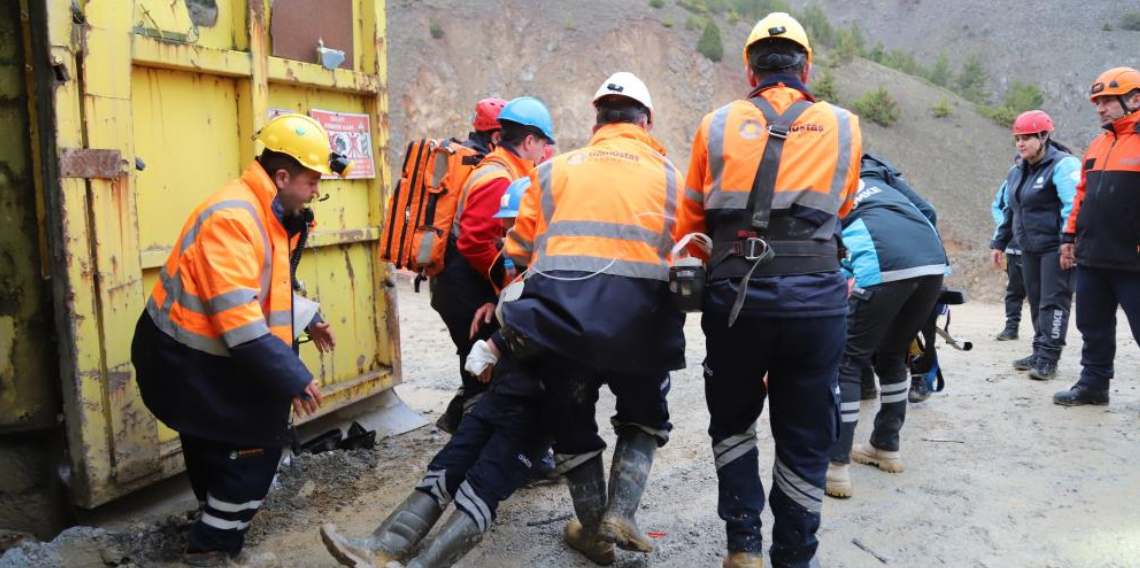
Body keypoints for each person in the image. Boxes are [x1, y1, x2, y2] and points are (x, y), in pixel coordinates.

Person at [675, 12, 862, 568]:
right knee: (805, 433)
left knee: (733, 421)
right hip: (816, 302)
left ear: (749, 69)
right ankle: (794, 555)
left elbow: (690, 222)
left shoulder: (714, 125)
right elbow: (843, 207)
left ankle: (744, 546)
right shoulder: (845, 125)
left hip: (736, 300)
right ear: (806, 67)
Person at [476, 72, 684, 566]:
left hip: (562, 324)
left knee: (571, 421)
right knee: (643, 416)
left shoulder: (551, 172)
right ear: (646, 122)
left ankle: (593, 532)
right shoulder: (671, 177)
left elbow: (518, 251)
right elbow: (690, 251)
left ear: (597, 122)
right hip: (640, 326)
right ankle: (622, 514)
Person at [130, 113, 347, 567]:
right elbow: (240, 321)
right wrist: (292, 376)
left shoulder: (263, 211)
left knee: (214, 445)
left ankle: (211, 520)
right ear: (282, 176)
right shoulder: (235, 217)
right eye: (311, 182)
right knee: (255, 451)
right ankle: (210, 548)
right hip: (186, 360)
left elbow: (266, 286)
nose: (315, 192)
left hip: (194, 357)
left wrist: (308, 316)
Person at [824, 154, 948, 499]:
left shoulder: (821, 174)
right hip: (931, 262)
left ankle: (835, 466)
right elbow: (928, 211)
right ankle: (885, 446)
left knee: (848, 360)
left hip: (883, 260)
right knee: (893, 353)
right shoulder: (877, 170)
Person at [429, 97, 555, 434]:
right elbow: (475, 242)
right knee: (485, 371)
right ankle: (474, 440)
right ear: (529, 141)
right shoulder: (498, 178)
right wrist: (506, 288)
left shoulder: (503, 168)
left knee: (480, 363)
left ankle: (461, 425)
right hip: (464, 285)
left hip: (464, 282)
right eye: (543, 143)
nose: (545, 152)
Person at [1054, 67, 1140, 406]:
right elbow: (1082, 195)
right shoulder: (1098, 144)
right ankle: (1093, 385)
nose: (1099, 108)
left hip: (1133, 258)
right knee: (1092, 326)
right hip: (1092, 255)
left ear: (1135, 99)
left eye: (1106, 101)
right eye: (1097, 102)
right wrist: (1069, 237)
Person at [990, 110, 1080, 381]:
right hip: (1028, 248)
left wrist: (1069, 242)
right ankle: (1039, 350)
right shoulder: (1016, 171)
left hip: (1056, 247)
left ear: (1043, 137)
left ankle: (1049, 358)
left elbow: (1074, 206)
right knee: (1037, 300)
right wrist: (999, 242)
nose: (1020, 143)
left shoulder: (1064, 165)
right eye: (1017, 138)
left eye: (1027, 137)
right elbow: (1010, 210)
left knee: (1054, 302)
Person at [991, 168, 1027, 341]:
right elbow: (998, 207)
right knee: (1015, 289)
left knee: (1043, 293)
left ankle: (1044, 335)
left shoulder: (1049, 179)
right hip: (1014, 247)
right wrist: (1007, 227)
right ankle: (1011, 328)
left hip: (1043, 248)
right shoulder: (1010, 183)